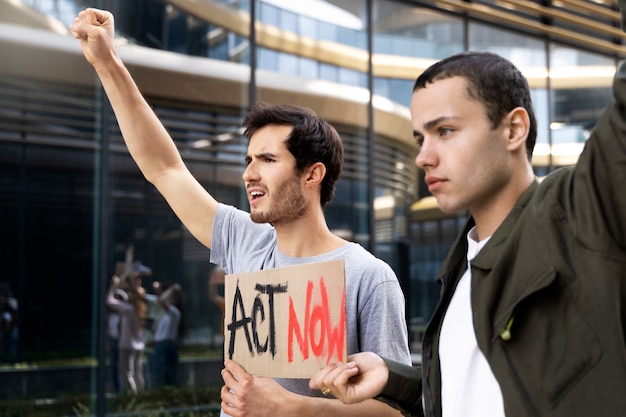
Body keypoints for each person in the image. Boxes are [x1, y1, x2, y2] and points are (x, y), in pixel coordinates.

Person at [71, 8, 411, 417]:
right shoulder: (245, 239)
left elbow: (397, 410)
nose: (249, 173)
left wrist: (291, 408)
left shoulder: (369, 277)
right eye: (249, 159)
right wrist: (108, 63)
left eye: (267, 159)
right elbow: (164, 167)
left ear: (312, 174)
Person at [310, 3, 626, 417]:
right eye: (420, 137)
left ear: (514, 129)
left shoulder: (578, 214)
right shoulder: (461, 264)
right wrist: (397, 379)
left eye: (445, 131)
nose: (423, 155)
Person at [153, 282, 185, 388]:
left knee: (165, 372)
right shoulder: (166, 315)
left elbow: (160, 300)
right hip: (161, 345)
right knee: (162, 371)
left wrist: (171, 289)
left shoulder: (174, 312)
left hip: (166, 345)